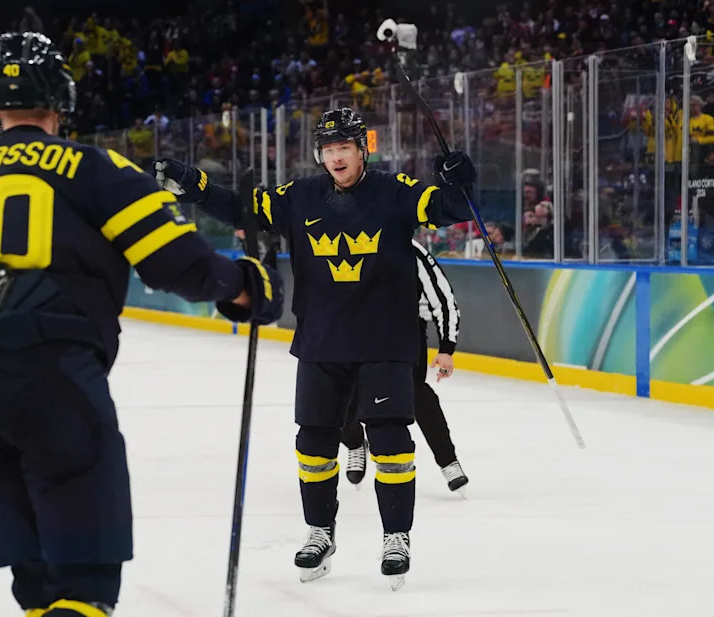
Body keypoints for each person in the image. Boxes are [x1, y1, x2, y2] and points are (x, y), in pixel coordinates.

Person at [0, 32, 282, 617]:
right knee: (83, 587)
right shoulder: (94, 168)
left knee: (37, 584)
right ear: (62, 99)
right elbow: (175, 262)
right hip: (54, 384)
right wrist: (245, 286)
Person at [153, 107, 476, 590]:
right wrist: (195, 186)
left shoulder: (395, 192)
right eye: (328, 150)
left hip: (386, 342)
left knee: (390, 442)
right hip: (322, 342)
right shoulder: (299, 196)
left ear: (362, 150)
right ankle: (320, 532)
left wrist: (460, 181)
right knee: (313, 444)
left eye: (344, 147)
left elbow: (451, 209)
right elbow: (242, 209)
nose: (336, 157)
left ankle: (396, 537)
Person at [342, 238, 469, 495]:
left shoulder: (408, 248)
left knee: (415, 392)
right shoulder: (343, 240)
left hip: (404, 330)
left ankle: (448, 461)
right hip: (353, 327)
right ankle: (354, 442)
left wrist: (446, 348)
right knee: (340, 391)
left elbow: (442, 298)